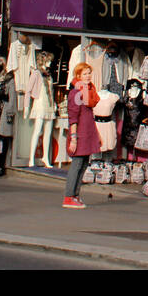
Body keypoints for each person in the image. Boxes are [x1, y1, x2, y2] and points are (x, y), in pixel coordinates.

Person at [63, 62, 100, 209]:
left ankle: (75, 195)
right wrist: (73, 138)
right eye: (85, 73)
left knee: (84, 164)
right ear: (78, 76)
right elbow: (73, 116)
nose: (88, 76)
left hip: (87, 132)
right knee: (77, 164)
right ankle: (69, 196)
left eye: (89, 73)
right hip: (80, 134)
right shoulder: (76, 93)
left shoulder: (88, 91)